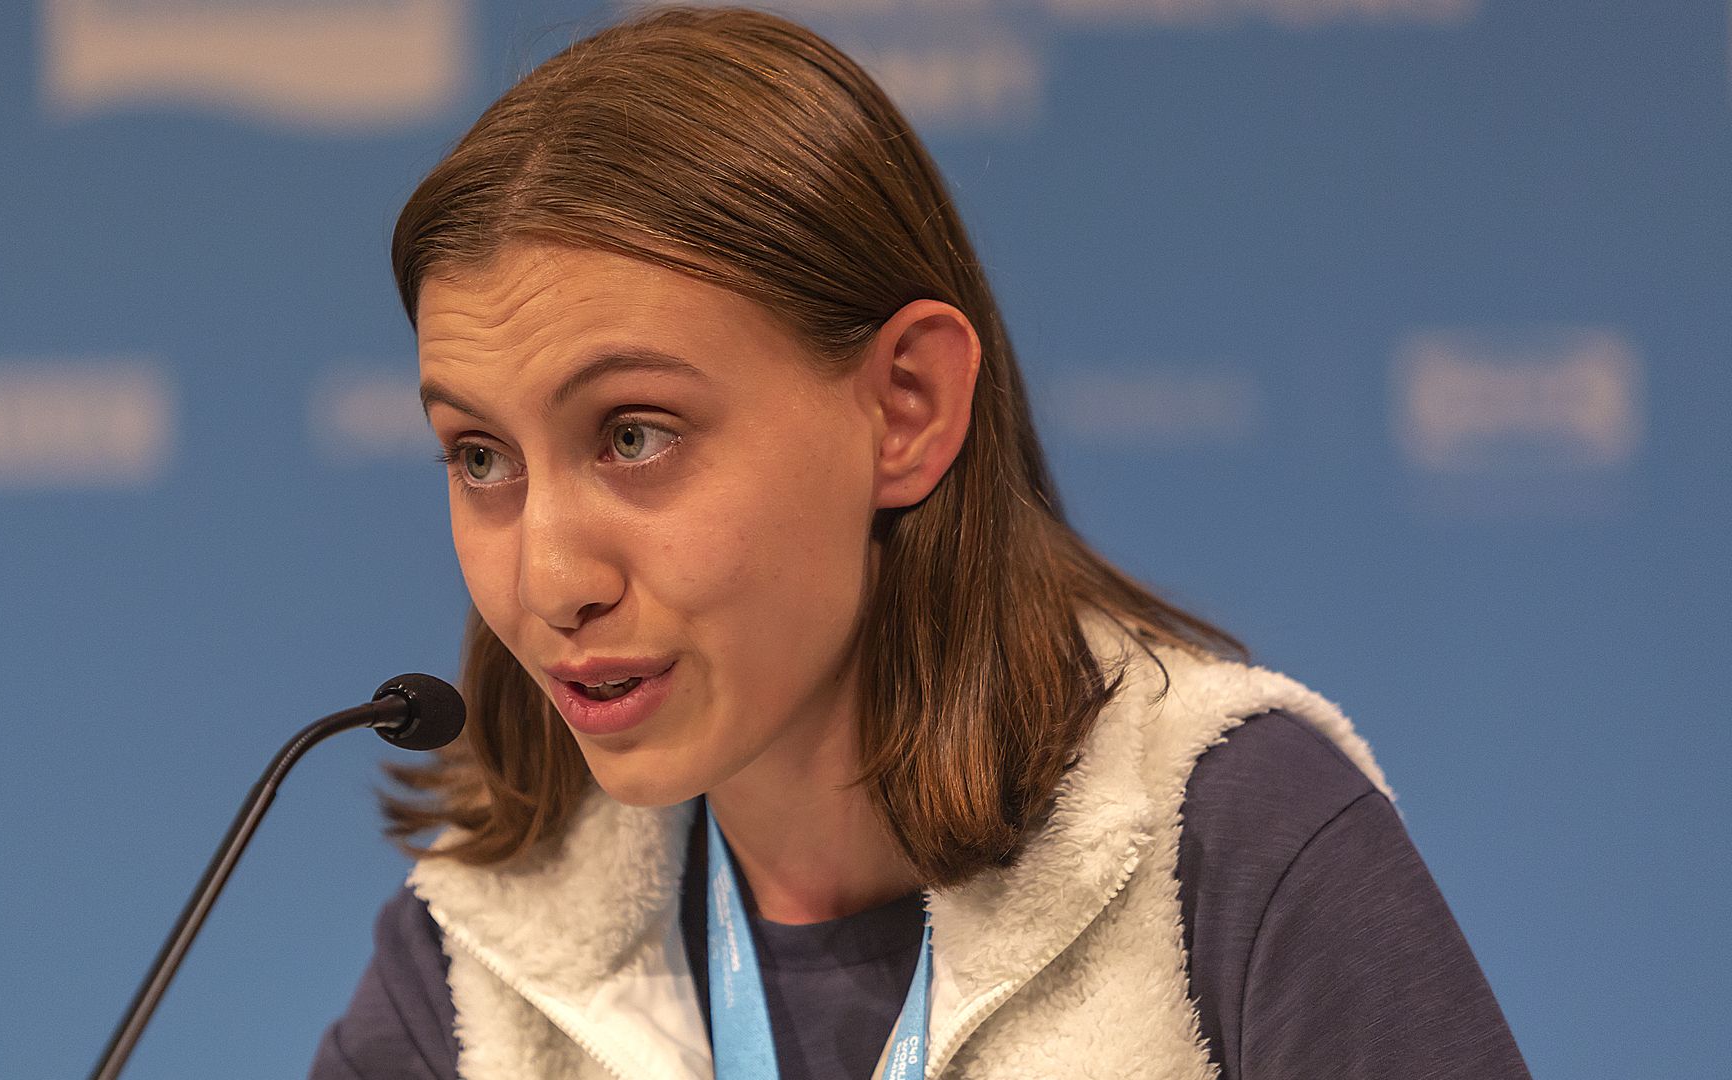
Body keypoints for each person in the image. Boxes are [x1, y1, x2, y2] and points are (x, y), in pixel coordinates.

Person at [309, 7, 1531, 1079]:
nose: (548, 580)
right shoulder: (479, 964)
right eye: (480, 458)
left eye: (635, 436)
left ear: (907, 409)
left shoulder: (1229, 851)